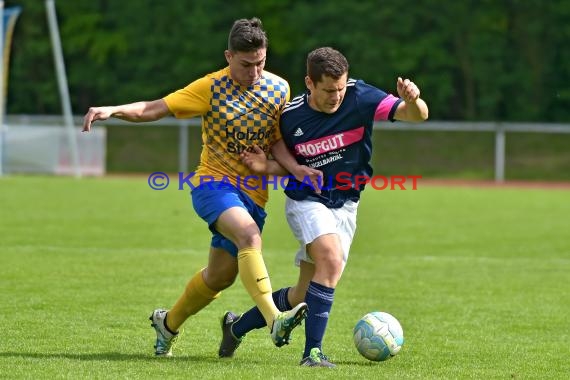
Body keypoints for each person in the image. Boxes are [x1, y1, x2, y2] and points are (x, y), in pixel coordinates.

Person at [82, 18, 322, 357]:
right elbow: (155, 109)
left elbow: (278, 141)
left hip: (254, 194)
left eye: (260, 63)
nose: (254, 71)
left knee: (219, 277)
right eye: (246, 64)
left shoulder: (279, 89)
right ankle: (274, 320)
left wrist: (293, 167)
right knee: (250, 237)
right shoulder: (210, 88)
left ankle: (167, 324)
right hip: (213, 184)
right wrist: (114, 109)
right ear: (228, 56)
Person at [218, 46, 428, 367]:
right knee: (329, 260)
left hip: (347, 204)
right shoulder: (290, 116)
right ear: (310, 83)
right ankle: (312, 353)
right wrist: (265, 166)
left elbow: (418, 116)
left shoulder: (361, 97)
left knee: (304, 294)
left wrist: (413, 100)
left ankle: (236, 326)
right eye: (328, 90)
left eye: (341, 88)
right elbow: (285, 164)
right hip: (307, 200)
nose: (336, 96)